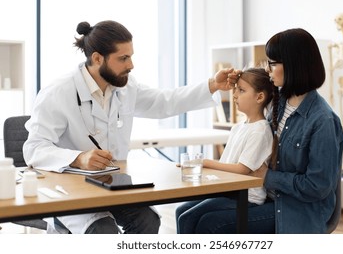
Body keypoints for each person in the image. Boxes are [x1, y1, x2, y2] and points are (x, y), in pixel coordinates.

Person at [22, 20, 239, 234]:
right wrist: (78, 158)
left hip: (112, 183)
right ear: (97, 58)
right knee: (102, 229)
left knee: (148, 220)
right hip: (70, 186)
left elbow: (164, 102)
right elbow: (34, 149)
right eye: (123, 58)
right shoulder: (58, 92)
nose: (131, 65)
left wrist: (212, 85)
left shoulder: (125, 87)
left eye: (131, 56)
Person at [191, 28, 343, 234]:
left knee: (209, 223)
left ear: (293, 66)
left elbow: (318, 186)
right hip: (268, 198)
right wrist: (239, 79)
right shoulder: (277, 103)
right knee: (187, 214)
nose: (268, 69)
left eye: (272, 63)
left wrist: (267, 176)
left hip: (297, 209)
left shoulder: (323, 121)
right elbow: (255, 93)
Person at [175, 68, 274, 233]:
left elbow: (242, 169)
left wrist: (205, 162)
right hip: (229, 192)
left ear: (260, 97)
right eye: (235, 89)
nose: (234, 95)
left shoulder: (260, 131)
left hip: (246, 197)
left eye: (241, 90)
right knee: (181, 211)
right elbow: (227, 165)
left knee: (189, 218)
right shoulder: (238, 128)